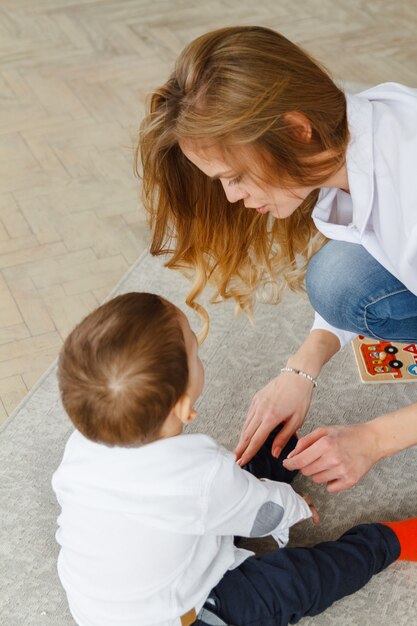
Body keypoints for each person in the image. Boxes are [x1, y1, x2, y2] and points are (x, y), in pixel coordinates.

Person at [137, 25, 417, 494]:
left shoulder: (407, 183)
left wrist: (372, 439)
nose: (230, 196)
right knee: (337, 278)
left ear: (294, 128)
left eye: (236, 175)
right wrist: (300, 368)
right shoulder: (349, 131)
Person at [52, 291, 416, 626]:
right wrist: (295, 506)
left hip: (105, 605)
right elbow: (262, 512)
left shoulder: (80, 445)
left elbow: (199, 494)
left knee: (239, 473)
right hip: (186, 613)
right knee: (298, 580)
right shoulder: (200, 473)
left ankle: (284, 447)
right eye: (196, 352)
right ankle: (387, 542)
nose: (200, 354)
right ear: (183, 407)